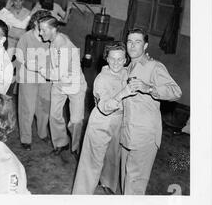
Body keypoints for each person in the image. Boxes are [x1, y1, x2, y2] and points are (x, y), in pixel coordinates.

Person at [121, 28, 182, 195]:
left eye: (137, 42)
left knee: (134, 187)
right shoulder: (126, 68)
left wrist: (148, 88)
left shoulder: (154, 66)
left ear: (145, 45)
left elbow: (176, 92)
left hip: (144, 135)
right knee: (126, 181)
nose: (132, 46)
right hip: (127, 133)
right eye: (129, 41)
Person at [72, 42, 136, 195]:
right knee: (91, 161)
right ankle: (81, 196)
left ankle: (107, 183)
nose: (116, 62)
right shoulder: (101, 79)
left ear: (125, 60)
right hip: (101, 121)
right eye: (112, 58)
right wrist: (124, 92)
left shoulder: (125, 72)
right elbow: (104, 107)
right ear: (106, 58)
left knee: (112, 157)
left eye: (120, 59)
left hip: (118, 121)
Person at [38, 16, 87, 156]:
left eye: (43, 30)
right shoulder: (55, 38)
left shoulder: (63, 45)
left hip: (74, 84)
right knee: (54, 115)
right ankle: (61, 143)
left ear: (53, 29)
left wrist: (40, 69)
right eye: (40, 29)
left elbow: (58, 73)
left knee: (76, 121)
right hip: (60, 84)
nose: (40, 33)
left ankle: (76, 147)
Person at [15, 10, 52, 150]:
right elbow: (19, 57)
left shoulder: (50, 37)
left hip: (46, 78)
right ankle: (26, 138)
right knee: (27, 108)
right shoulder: (26, 38)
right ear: (35, 23)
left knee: (44, 107)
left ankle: (42, 133)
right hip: (28, 77)